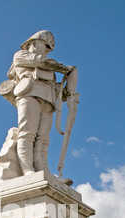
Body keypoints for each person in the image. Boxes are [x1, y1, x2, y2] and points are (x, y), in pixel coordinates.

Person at [8, 30, 75, 177]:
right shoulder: (21, 55)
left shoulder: (51, 67)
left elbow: (61, 95)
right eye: (46, 45)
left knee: (43, 139)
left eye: (51, 47)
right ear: (33, 42)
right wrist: (64, 69)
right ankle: (27, 170)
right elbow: (41, 61)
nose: (49, 50)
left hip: (48, 100)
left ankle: (43, 170)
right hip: (30, 93)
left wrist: (68, 89)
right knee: (27, 133)